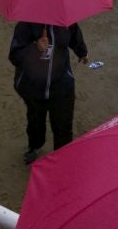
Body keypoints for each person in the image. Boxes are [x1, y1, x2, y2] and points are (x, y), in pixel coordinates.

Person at [9, 20, 89, 164]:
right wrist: (35, 48)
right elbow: (14, 55)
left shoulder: (65, 21)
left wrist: (81, 51)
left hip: (62, 86)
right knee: (35, 121)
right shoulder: (25, 25)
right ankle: (35, 146)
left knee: (63, 126)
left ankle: (62, 158)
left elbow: (74, 34)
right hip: (32, 87)